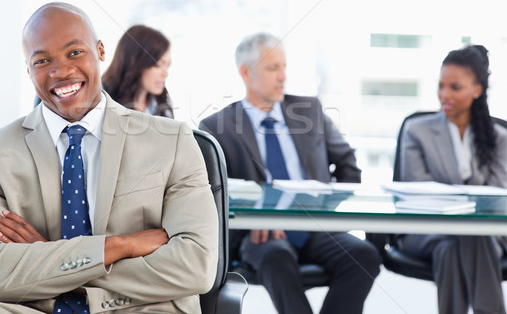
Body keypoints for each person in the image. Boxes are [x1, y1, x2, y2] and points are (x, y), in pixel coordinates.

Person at [0, 2, 218, 314]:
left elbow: (196, 266)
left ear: (100, 50)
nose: (61, 71)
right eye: (43, 60)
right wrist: (120, 246)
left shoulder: (172, 141)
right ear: (28, 70)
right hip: (33, 308)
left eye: (74, 53)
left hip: (140, 308)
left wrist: (46, 259)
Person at [199, 32, 381, 314]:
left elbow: (347, 165)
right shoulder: (217, 126)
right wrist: (250, 221)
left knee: (364, 255)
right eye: (273, 68)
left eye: (284, 67)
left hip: (316, 225)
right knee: (275, 257)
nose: (283, 76)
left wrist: (326, 212)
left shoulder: (310, 111)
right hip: (261, 234)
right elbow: (212, 196)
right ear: (246, 72)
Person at [398, 44, 507, 314]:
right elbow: (420, 191)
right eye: (441, 86)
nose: (444, 95)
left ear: (477, 90)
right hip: (426, 229)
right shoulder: (417, 131)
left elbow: (498, 196)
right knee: (470, 233)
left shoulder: (499, 138)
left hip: (486, 232)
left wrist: (456, 200)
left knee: (454, 246)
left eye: (455, 87)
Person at [102, 24, 173, 118]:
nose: (165, 73)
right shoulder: (101, 98)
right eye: (158, 65)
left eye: (167, 65)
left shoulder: (163, 103)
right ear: (136, 63)